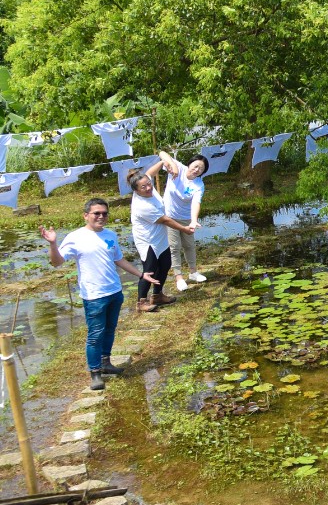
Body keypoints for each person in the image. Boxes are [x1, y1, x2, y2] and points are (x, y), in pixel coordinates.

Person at [39, 199, 146, 391]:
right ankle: (95, 372)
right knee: (95, 335)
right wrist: (53, 244)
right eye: (96, 213)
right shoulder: (76, 237)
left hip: (115, 291)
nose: (101, 217)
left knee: (110, 329)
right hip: (94, 295)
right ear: (86, 215)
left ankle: (106, 362)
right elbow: (57, 262)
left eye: (104, 213)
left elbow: (119, 259)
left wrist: (141, 274)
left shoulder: (111, 235)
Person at [128, 163, 196, 312]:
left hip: (160, 237)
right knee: (149, 270)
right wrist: (184, 229)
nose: (148, 188)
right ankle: (141, 302)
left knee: (165, 265)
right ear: (136, 191)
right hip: (147, 241)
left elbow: (151, 172)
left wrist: (164, 162)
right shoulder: (141, 205)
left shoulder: (148, 186)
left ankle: (157, 295)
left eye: (148, 184)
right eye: (143, 187)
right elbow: (165, 220)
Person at [159, 150, 209, 292]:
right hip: (169, 216)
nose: (197, 170)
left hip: (186, 217)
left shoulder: (199, 184)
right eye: (196, 165)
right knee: (174, 246)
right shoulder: (179, 168)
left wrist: (194, 220)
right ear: (190, 163)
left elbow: (196, 203)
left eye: (201, 169)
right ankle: (179, 277)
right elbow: (162, 153)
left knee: (189, 245)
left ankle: (193, 272)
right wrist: (173, 167)